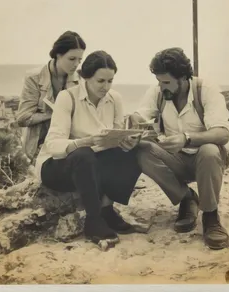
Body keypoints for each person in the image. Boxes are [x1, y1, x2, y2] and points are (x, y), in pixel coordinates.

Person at [129, 48, 229, 250]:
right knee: (141, 150)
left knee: (210, 150)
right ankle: (187, 198)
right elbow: (140, 115)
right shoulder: (158, 91)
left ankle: (211, 216)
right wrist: (133, 122)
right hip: (174, 160)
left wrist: (186, 139)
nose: (161, 86)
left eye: (166, 82)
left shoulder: (206, 89)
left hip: (206, 163)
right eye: (159, 81)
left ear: (184, 78)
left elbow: (223, 133)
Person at [35, 50, 141, 245]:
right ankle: (94, 220)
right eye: (101, 81)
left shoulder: (115, 98)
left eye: (110, 81)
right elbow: (53, 144)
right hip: (58, 166)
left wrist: (127, 142)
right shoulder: (68, 97)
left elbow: (116, 136)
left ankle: (107, 210)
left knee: (134, 150)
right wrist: (85, 141)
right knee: (84, 155)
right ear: (85, 77)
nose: (106, 87)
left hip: (93, 165)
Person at [17, 31, 86, 163]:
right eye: (72, 59)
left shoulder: (80, 79)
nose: (76, 64)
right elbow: (23, 118)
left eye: (79, 60)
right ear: (58, 55)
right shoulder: (34, 78)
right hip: (37, 147)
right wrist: (57, 112)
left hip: (65, 146)